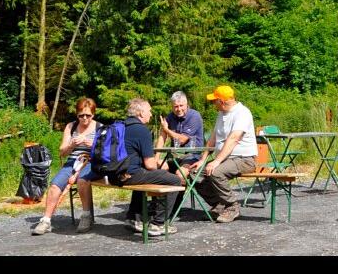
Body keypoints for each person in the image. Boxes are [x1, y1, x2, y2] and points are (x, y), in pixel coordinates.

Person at [86, 98, 186, 237]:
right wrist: (165, 169)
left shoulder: (120, 125)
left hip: (113, 175)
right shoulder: (142, 130)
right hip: (128, 176)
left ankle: (133, 218)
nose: (151, 114)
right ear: (140, 113)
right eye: (149, 111)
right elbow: (150, 165)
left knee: (142, 175)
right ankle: (158, 224)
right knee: (174, 180)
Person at [184, 85, 257, 223]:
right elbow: (212, 139)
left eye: (214, 101)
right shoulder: (221, 114)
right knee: (194, 173)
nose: (213, 104)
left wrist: (216, 161)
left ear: (221, 102)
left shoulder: (242, 113)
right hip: (225, 159)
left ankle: (232, 206)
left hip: (244, 159)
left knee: (216, 172)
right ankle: (219, 205)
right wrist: (202, 159)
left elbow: (234, 138)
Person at [32, 97, 100, 235]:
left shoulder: (100, 128)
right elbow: (62, 152)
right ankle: (46, 220)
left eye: (88, 115)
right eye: (81, 115)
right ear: (77, 114)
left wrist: (90, 143)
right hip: (73, 161)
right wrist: (71, 145)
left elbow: (106, 151)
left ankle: (86, 216)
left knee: (82, 180)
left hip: (92, 161)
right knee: (55, 185)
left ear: (93, 114)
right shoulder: (71, 127)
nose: (85, 118)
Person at [155, 91, 204, 213]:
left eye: (181, 105)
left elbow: (182, 139)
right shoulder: (170, 116)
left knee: (180, 173)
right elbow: (162, 136)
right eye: (175, 106)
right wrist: (156, 157)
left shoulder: (194, 116)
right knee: (157, 168)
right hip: (175, 156)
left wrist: (166, 129)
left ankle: (173, 207)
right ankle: (158, 206)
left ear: (187, 104)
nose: (178, 109)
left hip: (193, 156)